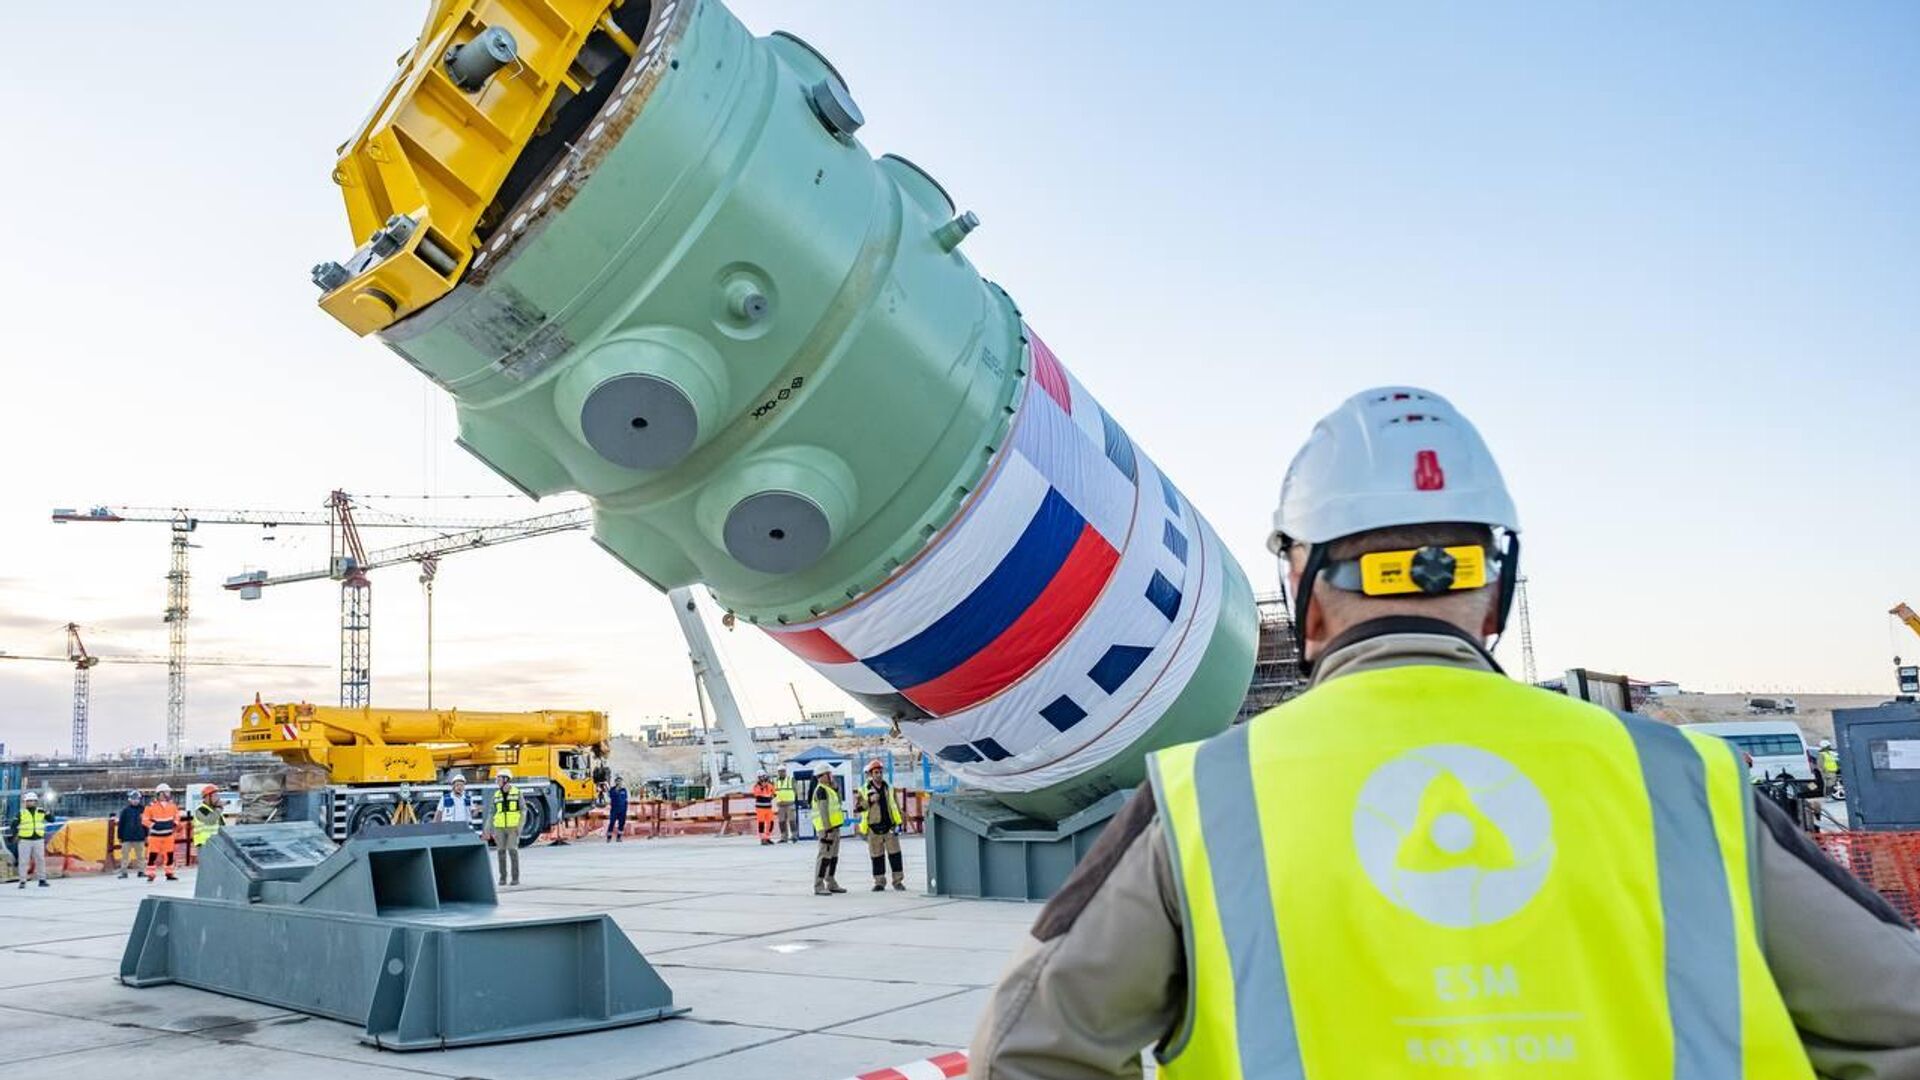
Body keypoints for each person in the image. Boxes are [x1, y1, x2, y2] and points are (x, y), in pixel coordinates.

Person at [970, 387, 1920, 1078]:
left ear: (1302, 584)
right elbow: (1898, 1017)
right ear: (1492, 585)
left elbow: (1028, 1052)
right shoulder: (1680, 780)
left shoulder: (1209, 795)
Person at [854, 758, 905, 892]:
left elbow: (896, 806)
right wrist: (870, 801)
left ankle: (898, 881)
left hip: (889, 827)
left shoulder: (889, 788)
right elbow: (858, 808)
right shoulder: (864, 790)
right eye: (876, 772)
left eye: (881, 772)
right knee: (877, 857)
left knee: (895, 855)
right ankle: (879, 882)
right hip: (873, 829)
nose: (879, 775)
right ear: (871, 774)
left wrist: (899, 822)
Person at [811, 763, 847, 896]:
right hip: (826, 829)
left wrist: (836, 788)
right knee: (824, 857)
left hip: (834, 827)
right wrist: (828, 830)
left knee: (833, 857)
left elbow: (839, 802)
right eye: (829, 774)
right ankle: (818, 885)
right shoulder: (821, 790)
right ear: (822, 776)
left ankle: (831, 882)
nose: (831, 776)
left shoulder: (829, 789)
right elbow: (823, 812)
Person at [486, 771, 522, 886]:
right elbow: (492, 812)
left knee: (512, 850)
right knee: (500, 851)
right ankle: (503, 878)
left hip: (513, 827)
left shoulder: (517, 793)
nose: (497, 781)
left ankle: (515, 878)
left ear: (506, 779)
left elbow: (523, 810)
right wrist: (488, 828)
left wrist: (520, 826)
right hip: (499, 828)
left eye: (499, 778)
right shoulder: (496, 795)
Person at [13, 791, 52, 888]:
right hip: (25, 840)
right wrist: (16, 835)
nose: (30, 802)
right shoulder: (21, 813)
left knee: (40, 860)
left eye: (32, 800)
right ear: (25, 802)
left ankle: (42, 880)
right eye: (28, 801)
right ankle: (22, 881)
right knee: (23, 861)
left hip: (38, 839)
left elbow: (52, 820)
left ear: (36, 801)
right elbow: (13, 825)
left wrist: (48, 813)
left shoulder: (41, 811)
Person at [142, 782, 180, 882]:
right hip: (155, 836)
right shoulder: (150, 806)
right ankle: (150, 874)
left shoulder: (172, 806)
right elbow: (144, 820)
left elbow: (177, 816)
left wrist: (174, 824)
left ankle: (169, 873)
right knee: (152, 855)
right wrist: (154, 825)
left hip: (168, 836)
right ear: (161, 793)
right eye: (167, 792)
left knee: (169, 855)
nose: (169, 794)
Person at [116, 790, 148, 879]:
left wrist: (146, 835)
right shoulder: (125, 811)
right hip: (127, 837)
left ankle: (141, 871)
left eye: (137, 799)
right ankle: (124, 872)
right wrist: (120, 836)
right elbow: (121, 824)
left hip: (139, 837)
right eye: (133, 799)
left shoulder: (143, 810)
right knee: (125, 856)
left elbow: (146, 824)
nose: (135, 801)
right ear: (129, 800)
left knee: (140, 856)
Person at [190, 784, 225, 855]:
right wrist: (219, 808)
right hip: (204, 844)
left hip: (215, 844)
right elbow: (210, 820)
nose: (218, 798)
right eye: (215, 796)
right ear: (207, 797)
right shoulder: (201, 810)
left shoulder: (214, 811)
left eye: (217, 795)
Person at [751, 772, 777, 845]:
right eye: (761, 777)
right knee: (761, 823)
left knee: (771, 823)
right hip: (760, 808)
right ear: (759, 778)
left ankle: (767, 837)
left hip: (768, 808)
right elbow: (757, 794)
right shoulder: (756, 786)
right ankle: (763, 839)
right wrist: (763, 787)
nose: (763, 778)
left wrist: (771, 797)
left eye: (764, 776)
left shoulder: (769, 785)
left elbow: (774, 793)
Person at [774, 767, 798, 842]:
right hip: (780, 804)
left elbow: (796, 790)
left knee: (792, 820)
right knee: (781, 821)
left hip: (789, 803)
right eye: (780, 771)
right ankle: (784, 837)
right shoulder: (776, 780)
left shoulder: (791, 779)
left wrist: (793, 799)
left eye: (783, 771)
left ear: (785, 772)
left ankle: (794, 835)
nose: (781, 773)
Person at [606, 776, 629, 842]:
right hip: (614, 810)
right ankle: (609, 837)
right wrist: (616, 790)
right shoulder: (612, 789)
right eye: (618, 781)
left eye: (620, 781)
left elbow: (625, 799)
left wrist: (625, 809)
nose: (619, 782)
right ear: (615, 782)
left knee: (621, 823)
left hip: (622, 810)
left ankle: (619, 837)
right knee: (612, 823)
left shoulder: (624, 790)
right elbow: (611, 796)